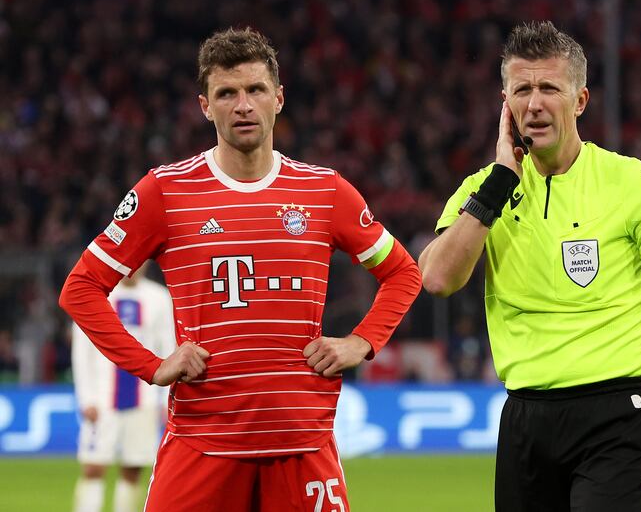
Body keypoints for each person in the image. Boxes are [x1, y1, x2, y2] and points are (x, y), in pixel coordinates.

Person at [60, 27, 421, 512]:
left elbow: (403, 272)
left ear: (279, 99)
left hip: (302, 443)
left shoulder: (325, 192)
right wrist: (152, 364)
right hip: (201, 443)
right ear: (205, 106)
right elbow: (81, 289)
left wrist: (361, 341)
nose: (243, 104)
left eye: (255, 90)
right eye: (226, 93)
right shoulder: (164, 192)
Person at [419, 21, 641, 512]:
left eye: (549, 88)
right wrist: (498, 185)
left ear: (579, 101)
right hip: (525, 418)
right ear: (505, 103)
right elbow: (437, 279)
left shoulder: (632, 185)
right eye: (522, 89)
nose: (534, 103)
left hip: (618, 414)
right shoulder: (483, 190)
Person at [72, 264, 175, 512]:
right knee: (93, 466)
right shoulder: (98, 294)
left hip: (145, 398)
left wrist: (164, 399)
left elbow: (168, 347)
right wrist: (86, 398)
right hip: (102, 397)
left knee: (133, 468)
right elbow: (81, 352)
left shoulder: (159, 298)